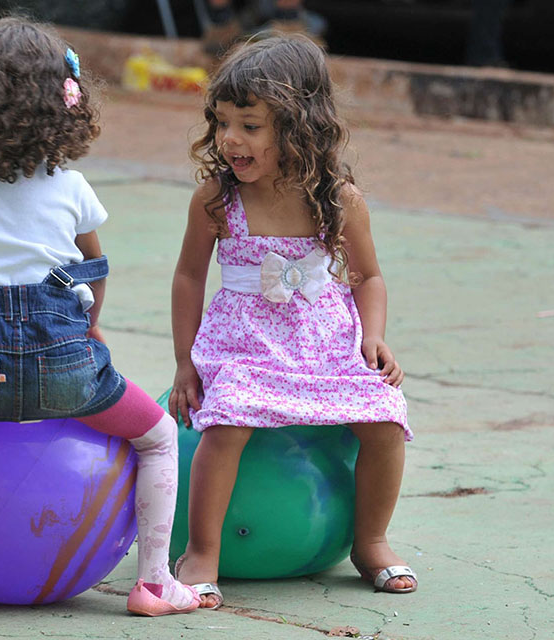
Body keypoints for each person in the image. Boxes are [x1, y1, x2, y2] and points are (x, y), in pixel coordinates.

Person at [0, 17, 201, 618]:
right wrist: (90, 326)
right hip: (70, 373)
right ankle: (155, 585)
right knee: (158, 438)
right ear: (65, 106)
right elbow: (93, 269)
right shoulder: (72, 187)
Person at [169, 35, 416, 609]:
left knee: (384, 420)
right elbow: (188, 277)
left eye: (250, 126)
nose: (231, 139)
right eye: (223, 123)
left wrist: (372, 337)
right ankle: (203, 550)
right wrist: (186, 361)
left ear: (300, 128)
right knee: (226, 423)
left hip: (326, 339)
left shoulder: (338, 199)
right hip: (243, 342)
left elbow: (368, 278)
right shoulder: (215, 199)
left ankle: (370, 540)